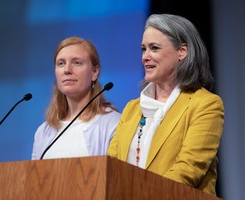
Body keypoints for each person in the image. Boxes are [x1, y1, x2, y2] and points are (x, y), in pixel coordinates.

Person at [108, 14, 224, 196]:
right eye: (143, 49)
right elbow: (113, 167)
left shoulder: (206, 105)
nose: (145, 56)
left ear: (182, 51)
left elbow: (188, 169)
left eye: (154, 48)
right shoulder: (132, 108)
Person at [32, 36, 120, 160]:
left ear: (94, 72)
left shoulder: (113, 124)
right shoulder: (43, 132)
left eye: (76, 63)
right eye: (61, 64)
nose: (67, 70)